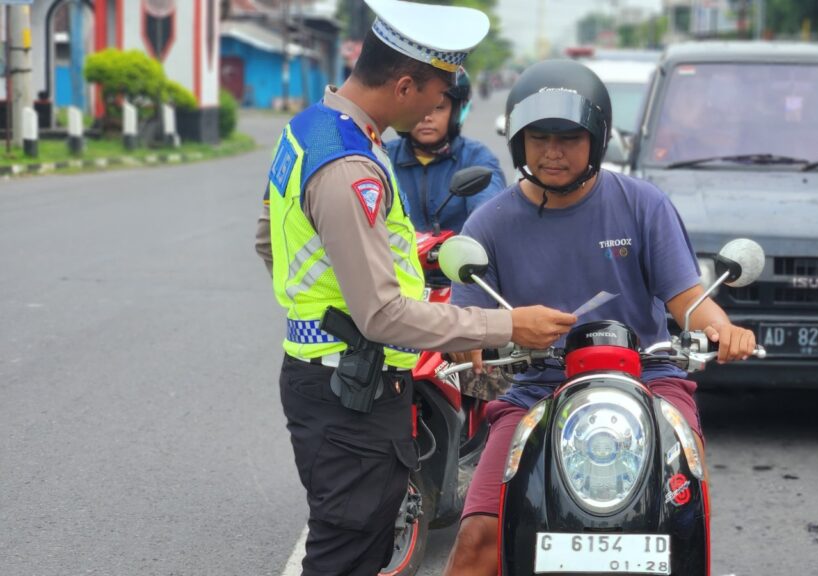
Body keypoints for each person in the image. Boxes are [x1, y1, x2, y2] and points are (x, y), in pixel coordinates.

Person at [253, 2, 577, 574]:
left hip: (332, 374)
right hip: (351, 389)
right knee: (346, 555)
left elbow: (269, 242)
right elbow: (380, 315)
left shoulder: (311, 130)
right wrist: (506, 324)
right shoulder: (349, 165)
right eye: (435, 94)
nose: (437, 108)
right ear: (404, 84)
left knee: (360, 544)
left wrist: (327, 301)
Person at [440, 59, 757, 576]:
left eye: (569, 137)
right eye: (538, 138)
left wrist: (723, 329)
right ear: (519, 144)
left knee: (683, 521)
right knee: (479, 538)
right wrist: (482, 340)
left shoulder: (643, 205)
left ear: (598, 140)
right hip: (535, 387)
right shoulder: (489, 222)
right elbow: (464, 324)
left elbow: (691, 303)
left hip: (649, 380)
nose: (553, 152)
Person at [385, 69, 506, 233]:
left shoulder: (477, 158)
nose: (427, 117)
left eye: (438, 107)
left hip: (458, 256)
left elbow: (488, 209)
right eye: (418, 106)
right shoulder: (384, 158)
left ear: (457, 111)